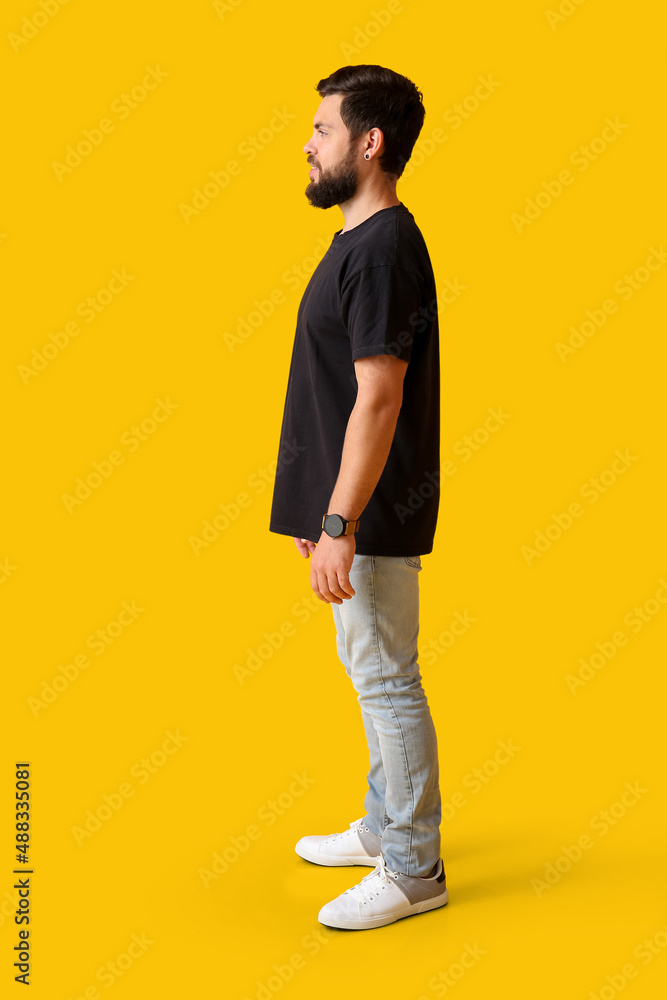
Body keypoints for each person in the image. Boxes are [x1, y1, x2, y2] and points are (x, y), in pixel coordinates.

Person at [268, 64, 446, 930]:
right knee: (369, 667)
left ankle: (414, 866)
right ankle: (384, 826)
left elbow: (379, 396)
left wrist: (339, 520)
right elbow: (338, 390)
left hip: (367, 511)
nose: (307, 143)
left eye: (322, 130)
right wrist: (316, 509)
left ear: (368, 144)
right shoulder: (358, 242)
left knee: (385, 677)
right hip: (349, 507)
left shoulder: (379, 250)